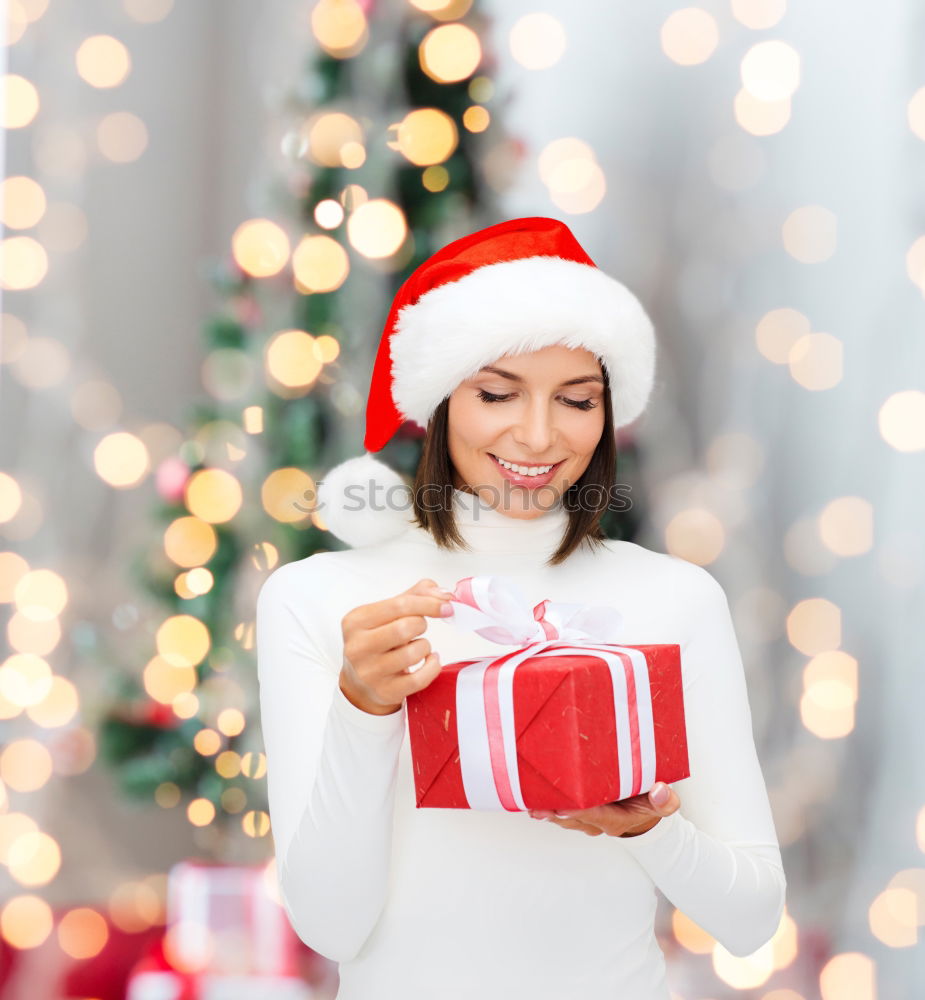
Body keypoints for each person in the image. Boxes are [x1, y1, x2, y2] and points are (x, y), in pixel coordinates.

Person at [256, 217, 786, 999]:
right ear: (438, 400)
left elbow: (749, 919)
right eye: (496, 393)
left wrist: (647, 828)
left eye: (576, 400)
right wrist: (362, 707)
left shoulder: (671, 599)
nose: (537, 437)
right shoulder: (321, 599)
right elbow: (332, 927)